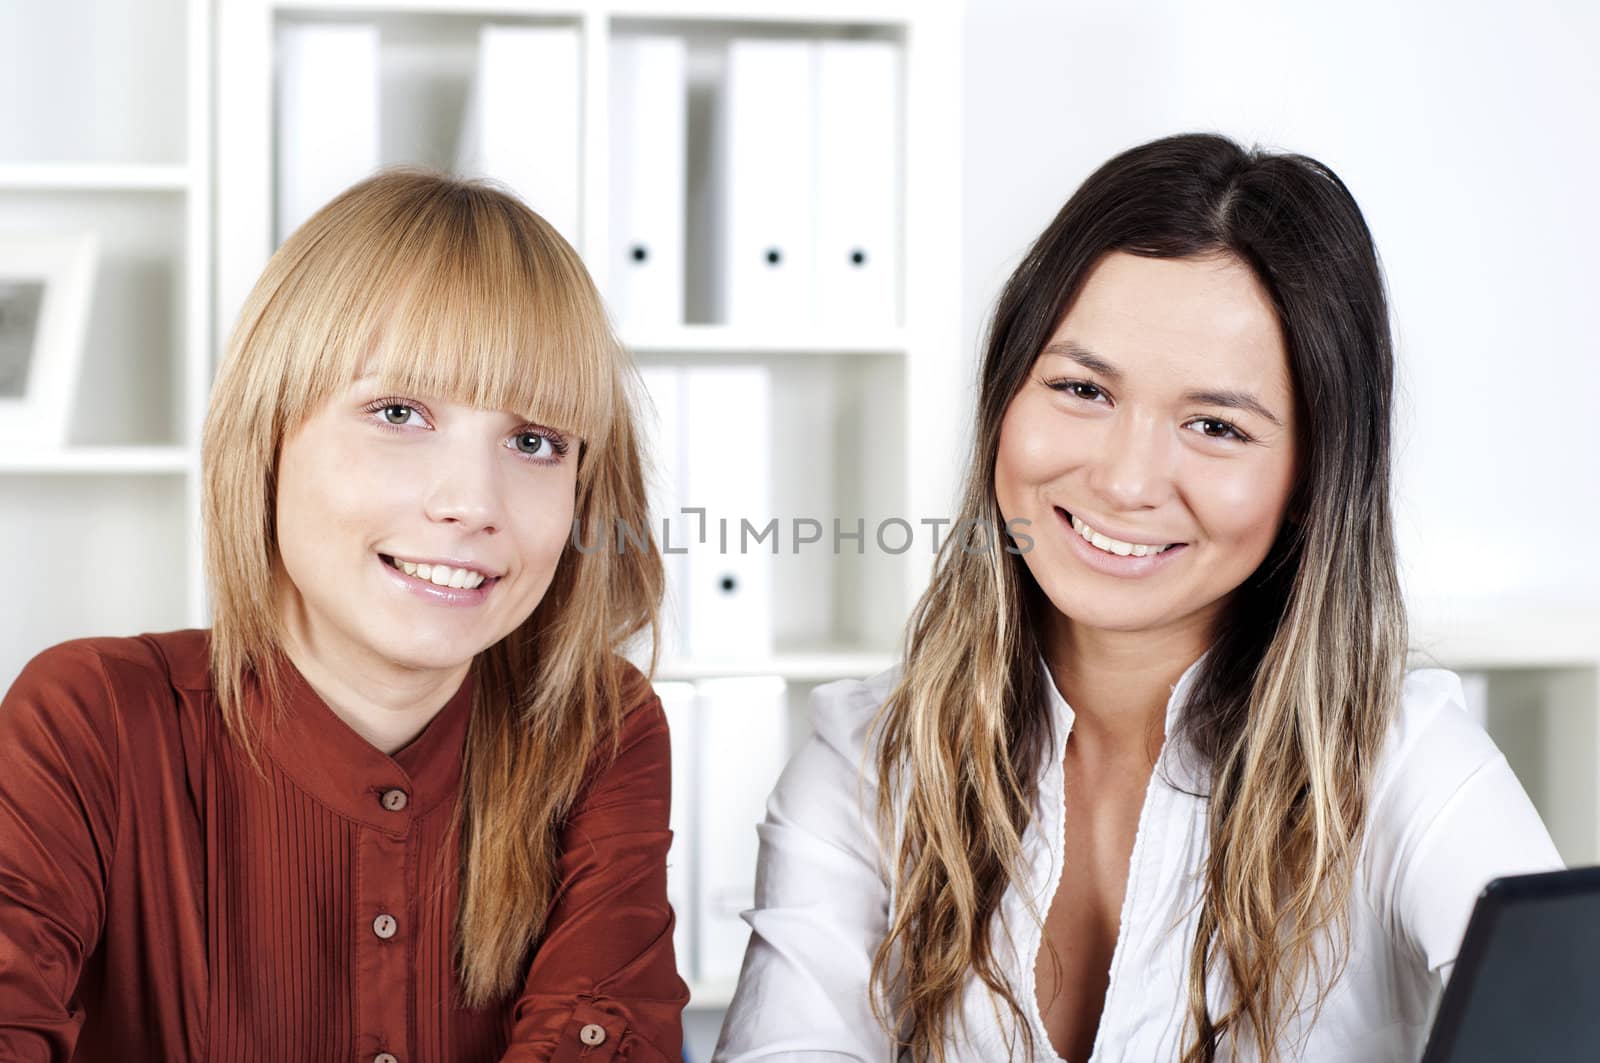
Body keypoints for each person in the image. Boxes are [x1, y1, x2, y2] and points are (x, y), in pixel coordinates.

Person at [715, 133, 1563, 1062]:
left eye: (1215, 425)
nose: (1125, 480)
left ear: (1314, 479)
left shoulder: (1405, 763)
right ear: (1004, 398)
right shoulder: (866, 761)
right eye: (1081, 388)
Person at [0, 171, 686, 1062]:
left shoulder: (598, 728)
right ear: (269, 438)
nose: (472, 502)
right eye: (399, 413)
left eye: (534, 441)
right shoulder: (91, 717)